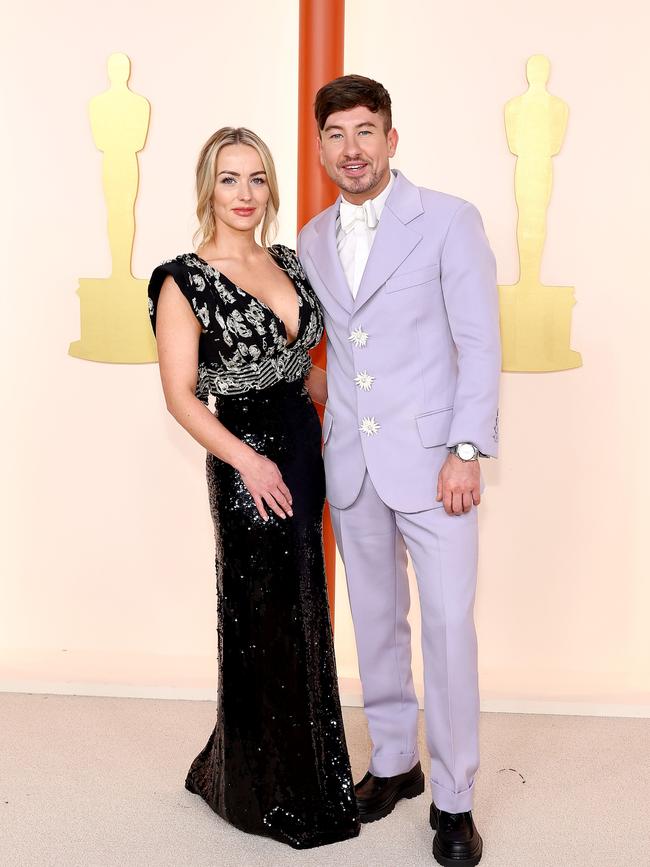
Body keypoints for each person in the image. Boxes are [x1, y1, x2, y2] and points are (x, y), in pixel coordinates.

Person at [297, 76, 501, 866]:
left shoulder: (449, 220)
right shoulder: (312, 237)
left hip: (436, 464)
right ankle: (394, 761)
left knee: (449, 630)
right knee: (375, 622)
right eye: (337, 135)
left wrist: (466, 449)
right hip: (352, 463)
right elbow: (334, 348)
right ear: (320, 148)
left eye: (366, 131)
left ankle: (454, 799)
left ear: (392, 138)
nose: (353, 148)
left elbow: (480, 343)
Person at [147, 126, 359, 850]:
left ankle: (308, 770)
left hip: (304, 448)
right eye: (230, 179)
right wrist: (249, 461)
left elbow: (304, 371)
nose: (245, 194)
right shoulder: (183, 277)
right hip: (246, 462)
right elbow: (181, 397)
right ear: (209, 186)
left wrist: (372, 406)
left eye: (258, 179)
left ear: (270, 188)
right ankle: (255, 785)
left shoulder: (290, 261)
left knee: (303, 600)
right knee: (258, 609)